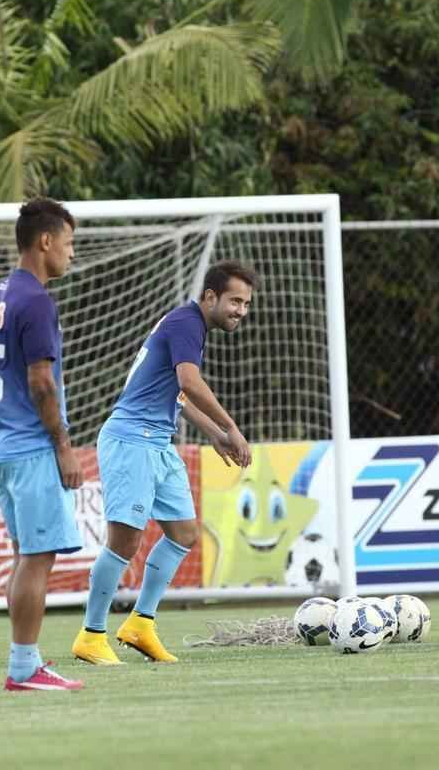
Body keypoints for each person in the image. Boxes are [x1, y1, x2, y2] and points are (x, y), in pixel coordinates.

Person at [72, 261, 255, 666]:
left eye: (245, 303)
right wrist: (231, 426)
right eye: (235, 301)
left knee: (184, 533)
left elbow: (177, 394)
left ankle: (140, 624)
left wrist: (212, 432)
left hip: (157, 441)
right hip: (129, 440)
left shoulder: (191, 327)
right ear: (210, 296)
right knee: (125, 542)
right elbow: (189, 382)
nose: (240, 310)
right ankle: (91, 633)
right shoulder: (187, 323)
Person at [0, 198, 84, 692]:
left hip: (1, 440)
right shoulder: (37, 299)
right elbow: (41, 381)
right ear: (45, 242)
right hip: (28, 444)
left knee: (27, 556)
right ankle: (23, 667)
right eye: (68, 244)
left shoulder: (1, 292)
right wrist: (63, 445)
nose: (71, 254)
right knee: (38, 558)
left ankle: (28, 661)